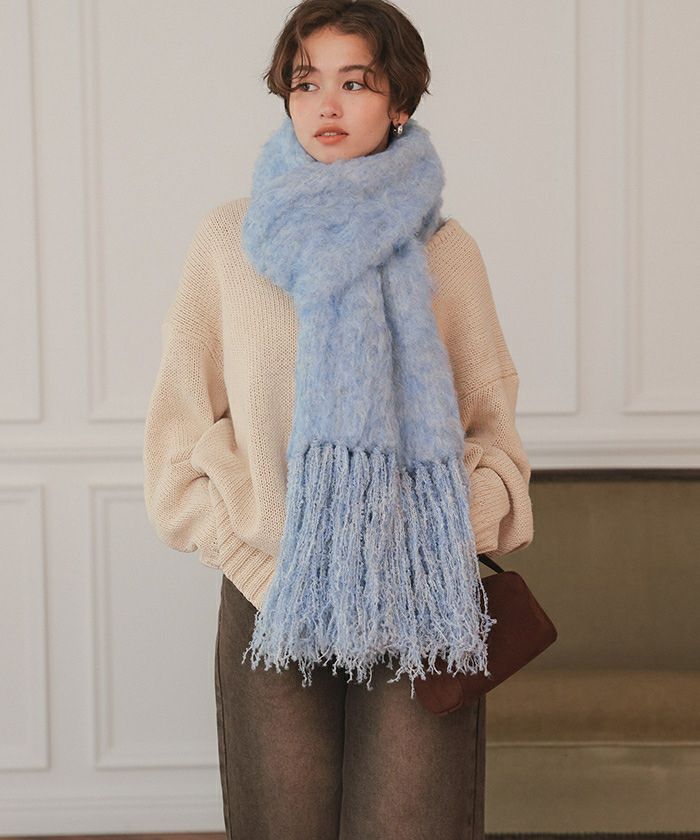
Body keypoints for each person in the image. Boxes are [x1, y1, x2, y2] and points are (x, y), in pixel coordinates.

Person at [142, 1, 534, 837]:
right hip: (272, 595)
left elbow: (498, 445)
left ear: (400, 103)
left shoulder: (447, 252)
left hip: (420, 602)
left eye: (355, 83)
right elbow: (175, 445)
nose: (326, 104)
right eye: (306, 81)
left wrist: (430, 534)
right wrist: (251, 556)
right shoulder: (230, 242)